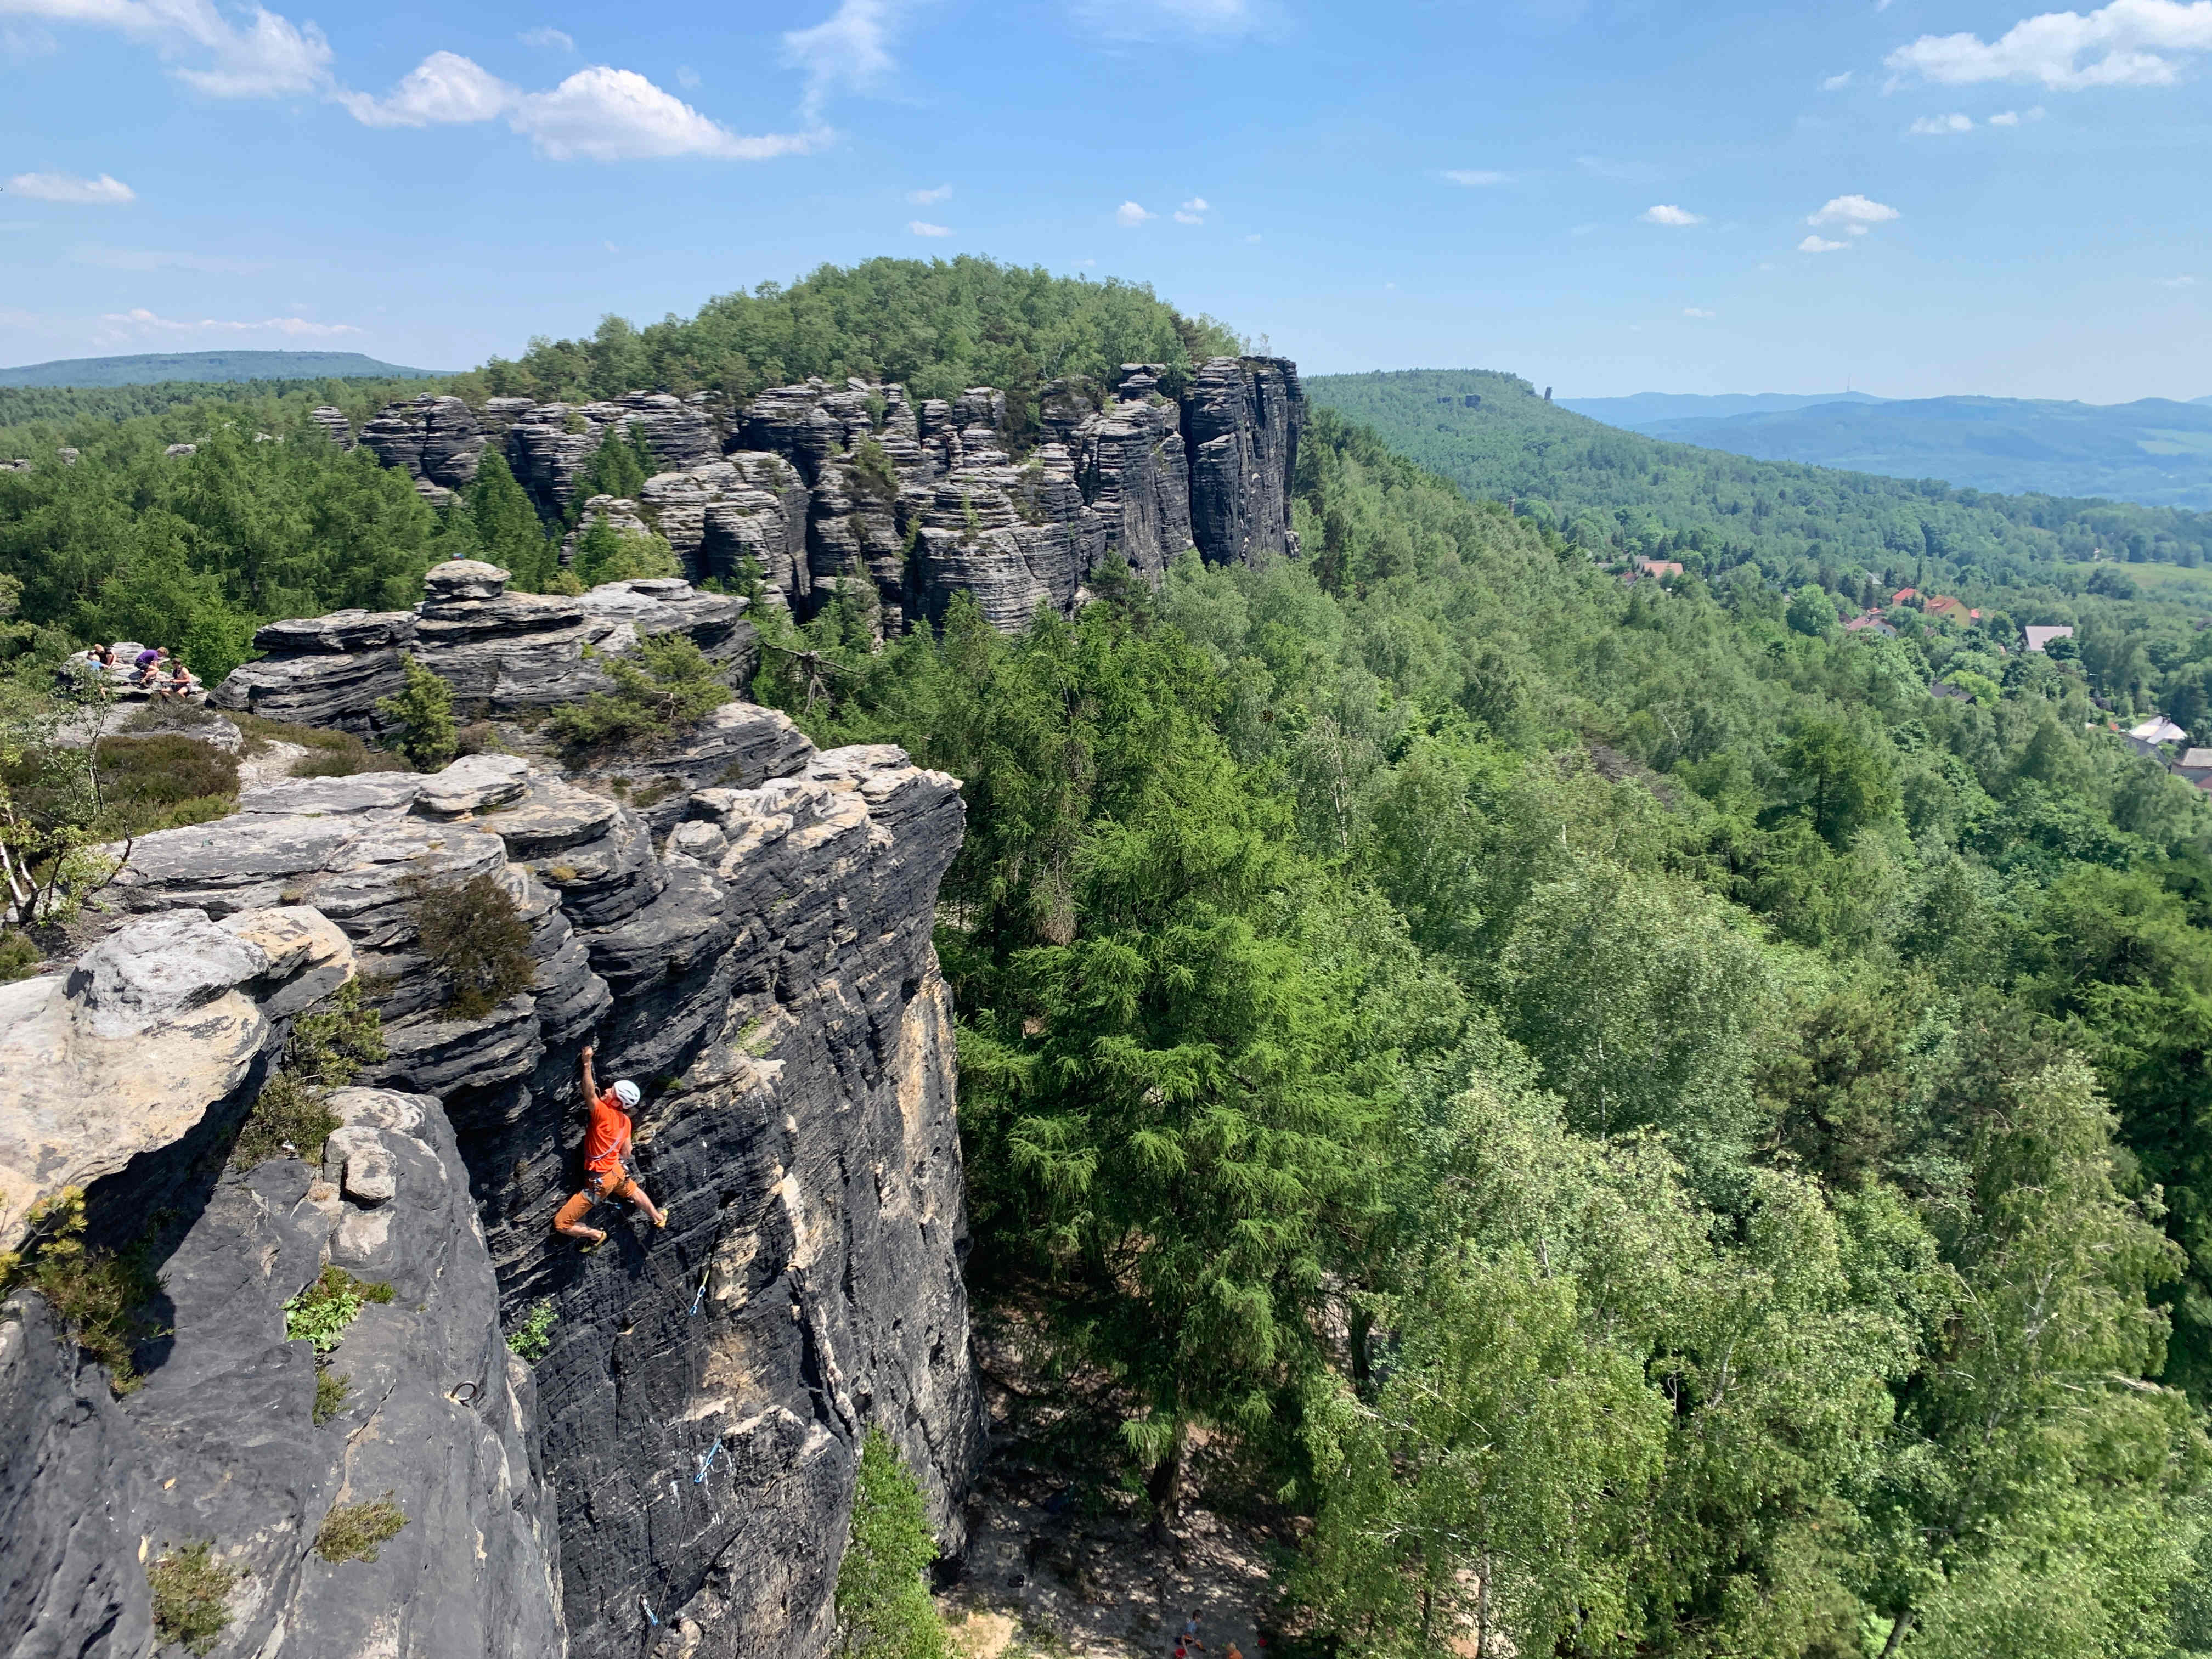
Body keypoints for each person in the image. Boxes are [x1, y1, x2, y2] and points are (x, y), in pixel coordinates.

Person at [553, 1043, 667, 1246]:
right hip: (615, 1170)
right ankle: (658, 1217)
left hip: (600, 1181)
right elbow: (627, 1151)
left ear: (616, 1102)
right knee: (632, 1190)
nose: (606, 1090)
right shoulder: (626, 1121)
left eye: (610, 1092)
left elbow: (589, 1094)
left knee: (562, 1224)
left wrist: (587, 1063)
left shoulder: (603, 1114)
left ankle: (597, 1236)